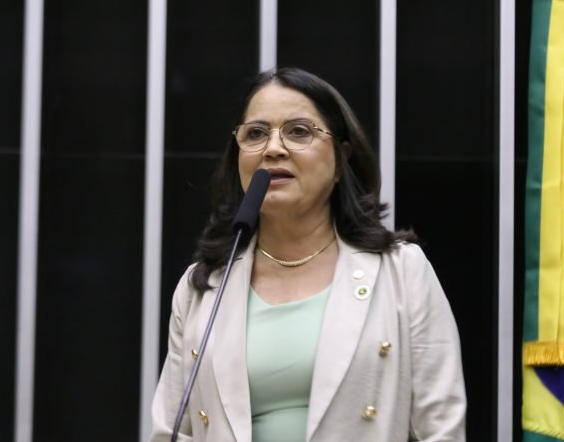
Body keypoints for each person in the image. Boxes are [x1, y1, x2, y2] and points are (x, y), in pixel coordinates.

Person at [150, 67, 466, 442]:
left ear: (341, 159)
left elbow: (441, 428)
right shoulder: (203, 286)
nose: (273, 148)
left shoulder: (401, 271)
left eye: (299, 131)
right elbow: (171, 431)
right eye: (255, 134)